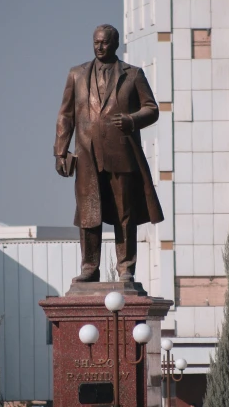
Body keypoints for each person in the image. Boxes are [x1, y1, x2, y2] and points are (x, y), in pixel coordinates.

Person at [54, 24, 163, 283]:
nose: (99, 47)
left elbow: (152, 109)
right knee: (88, 213)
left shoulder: (133, 74)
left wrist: (132, 119)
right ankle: (89, 267)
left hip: (121, 155)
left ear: (114, 44)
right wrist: (60, 151)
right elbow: (65, 115)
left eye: (104, 43)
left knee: (125, 215)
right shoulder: (76, 75)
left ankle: (126, 268)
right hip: (87, 156)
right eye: (96, 42)